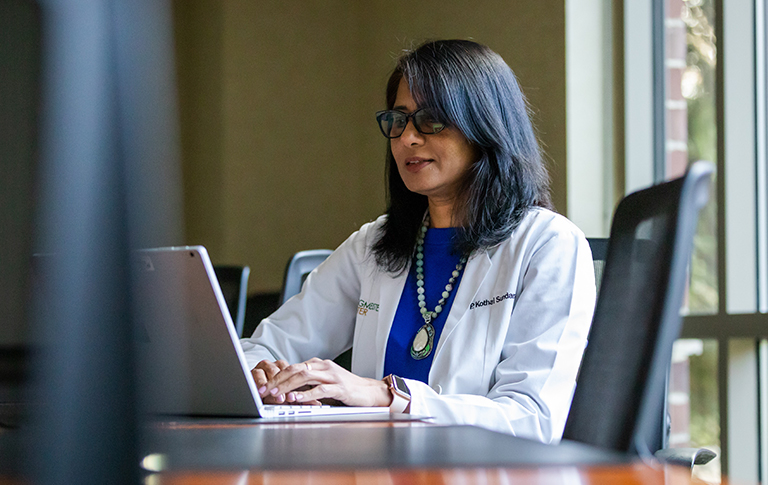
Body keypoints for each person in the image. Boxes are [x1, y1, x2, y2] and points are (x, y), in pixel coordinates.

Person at [240, 39, 595, 443]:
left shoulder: (548, 245)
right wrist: (264, 374)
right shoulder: (372, 244)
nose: (407, 138)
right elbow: (265, 346)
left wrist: (389, 397)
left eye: (430, 120)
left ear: (485, 126)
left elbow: (531, 419)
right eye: (398, 120)